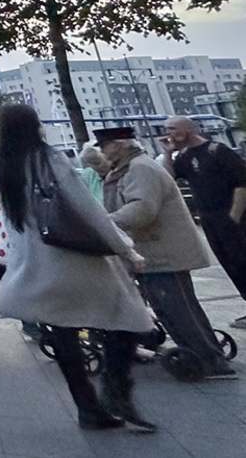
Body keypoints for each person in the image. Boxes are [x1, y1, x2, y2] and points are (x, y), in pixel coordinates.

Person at [0, 104, 156, 432]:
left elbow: (13, 223)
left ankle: (88, 409)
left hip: (37, 263)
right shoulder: (48, 158)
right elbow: (87, 207)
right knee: (130, 316)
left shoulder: (2, 165)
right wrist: (124, 248)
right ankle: (116, 389)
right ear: (34, 126)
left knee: (64, 332)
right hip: (73, 257)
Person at [96, 126, 236, 379]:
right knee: (176, 308)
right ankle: (208, 354)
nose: (101, 150)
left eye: (104, 145)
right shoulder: (129, 168)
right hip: (154, 251)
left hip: (163, 252)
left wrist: (107, 222)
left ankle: (209, 361)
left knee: (178, 310)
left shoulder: (140, 168)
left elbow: (142, 210)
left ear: (118, 144)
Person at [161, 116, 246, 329]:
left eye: (173, 128)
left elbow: (242, 182)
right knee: (230, 264)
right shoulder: (184, 156)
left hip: (231, 217)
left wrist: (233, 216)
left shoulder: (217, 151)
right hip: (209, 219)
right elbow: (169, 179)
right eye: (166, 129)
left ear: (188, 128)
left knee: (243, 259)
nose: (169, 133)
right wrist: (168, 154)